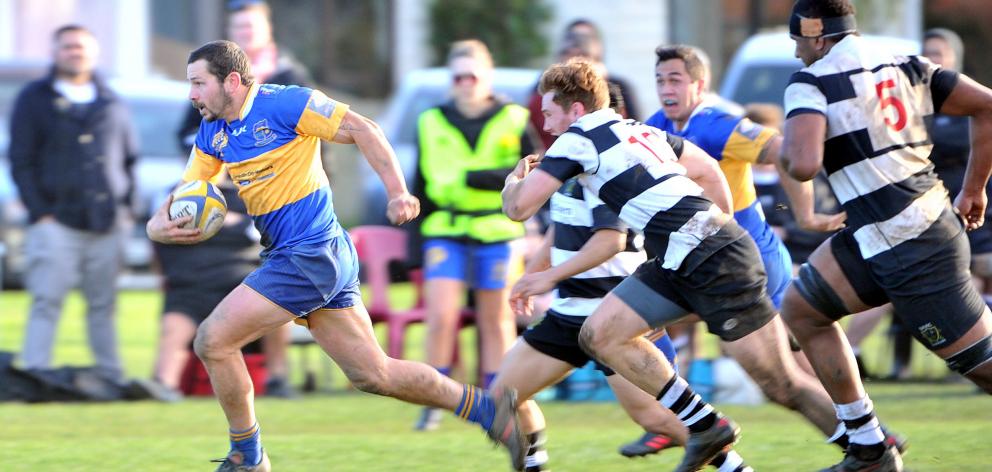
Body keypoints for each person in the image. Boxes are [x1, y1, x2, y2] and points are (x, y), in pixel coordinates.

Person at [147, 40, 527, 471]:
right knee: (374, 374)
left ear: (232, 81)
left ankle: (247, 456)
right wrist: (155, 227)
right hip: (298, 257)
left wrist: (398, 192)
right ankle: (489, 410)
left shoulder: (287, 104)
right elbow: (185, 195)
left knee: (212, 340)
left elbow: (366, 129)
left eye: (198, 83)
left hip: (311, 253)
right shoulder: (213, 132)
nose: (191, 95)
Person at [503, 57, 792, 471]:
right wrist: (533, 273)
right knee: (505, 396)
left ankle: (739, 465)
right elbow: (558, 230)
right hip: (571, 311)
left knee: (660, 417)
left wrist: (513, 187)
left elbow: (607, 240)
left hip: (617, 303)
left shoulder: (601, 156)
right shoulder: (567, 163)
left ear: (578, 110)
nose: (545, 124)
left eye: (549, 113)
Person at [617, 43, 862, 458]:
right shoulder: (655, 126)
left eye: (675, 79)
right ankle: (676, 418)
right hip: (711, 265)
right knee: (638, 325)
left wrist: (805, 214)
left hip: (752, 263)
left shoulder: (717, 125)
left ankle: (867, 434)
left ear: (700, 84)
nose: (666, 88)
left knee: (792, 372)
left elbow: (786, 151)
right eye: (660, 80)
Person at [778, 1, 992, 470]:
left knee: (985, 367)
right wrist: (973, 190)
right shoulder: (905, 63)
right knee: (802, 310)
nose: (796, 55)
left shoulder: (810, 82)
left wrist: (787, 152)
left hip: (914, 246)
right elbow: (987, 105)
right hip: (885, 232)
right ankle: (870, 448)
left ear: (816, 38)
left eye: (797, 43)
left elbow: (805, 162)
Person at [175, 0, 314, 398]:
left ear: (266, 30)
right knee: (241, 292)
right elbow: (189, 133)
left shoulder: (288, 78)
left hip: (285, 199)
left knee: (280, 286)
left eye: (253, 27)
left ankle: (278, 373)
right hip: (226, 199)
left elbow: (323, 137)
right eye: (240, 28)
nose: (247, 34)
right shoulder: (211, 81)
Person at [409, 39, 538, 431]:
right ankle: (434, 398)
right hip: (445, 228)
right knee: (441, 316)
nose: (466, 83)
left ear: (488, 76)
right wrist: (413, 245)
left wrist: (472, 179)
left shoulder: (514, 118)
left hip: (495, 228)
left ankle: (497, 398)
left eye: (473, 75)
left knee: (496, 318)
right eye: (458, 76)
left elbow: (531, 172)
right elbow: (423, 184)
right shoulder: (431, 120)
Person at [8, 25, 137, 385]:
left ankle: (111, 375)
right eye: (67, 47)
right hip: (56, 222)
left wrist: (126, 209)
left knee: (103, 306)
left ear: (94, 53)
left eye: (81, 47)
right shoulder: (34, 98)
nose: (74, 52)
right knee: (46, 301)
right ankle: (34, 374)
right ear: (55, 52)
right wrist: (41, 213)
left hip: (108, 222)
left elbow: (128, 159)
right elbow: (21, 159)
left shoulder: (111, 100)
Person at [139, 177, 262, 402]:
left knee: (275, 310)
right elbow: (156, 238)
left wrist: (218, 215)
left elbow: (261, 232)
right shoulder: (171, 194)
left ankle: (278, 377)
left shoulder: (249, 190)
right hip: (190, 284)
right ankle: (164, 385)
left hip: (238, 283)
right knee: (174, 329)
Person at [527, 19, 640, 151]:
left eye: (581, 59)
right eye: (569, 58)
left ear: (596, 61)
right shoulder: (544, 90)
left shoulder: (616, 89)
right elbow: (532, 135)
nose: (574, 66)